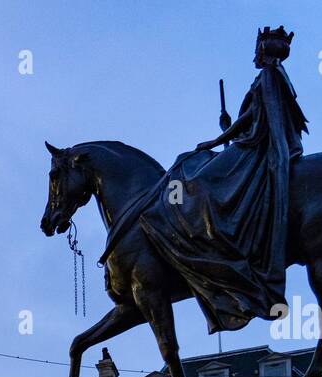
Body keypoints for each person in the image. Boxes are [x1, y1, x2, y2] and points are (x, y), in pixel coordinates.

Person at [104, 26, 309, 334]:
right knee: (192, 164)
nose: (255, 53)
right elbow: (253, 118)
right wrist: (231, 129)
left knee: (198, 177)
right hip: (251, 142)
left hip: (256, 148)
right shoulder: (274, 76)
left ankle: (208, 235)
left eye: (258, 47)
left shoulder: (268, 75)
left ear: (263, 51)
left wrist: (216, 140)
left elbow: (252, 122)